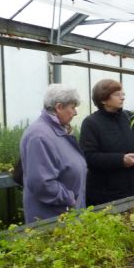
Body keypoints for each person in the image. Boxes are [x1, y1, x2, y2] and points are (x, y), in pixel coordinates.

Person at [19, 83, 87, 223]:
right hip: (52, 218)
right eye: (72, 107)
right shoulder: (40, 136)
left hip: (67, 214)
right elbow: (42, 183)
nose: (75, 113)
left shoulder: (57, 130)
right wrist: (69, 198)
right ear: (59, 107)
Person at [79, 79, 134, 206]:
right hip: (107, 193)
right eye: (117, 95)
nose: (122, 98)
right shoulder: (91, 123)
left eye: (123, 94)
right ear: (103, 99)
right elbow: (89, 156)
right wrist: (121, 160)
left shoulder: (130, 117)